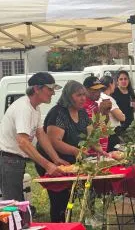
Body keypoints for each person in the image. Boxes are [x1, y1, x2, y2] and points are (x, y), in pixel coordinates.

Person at [0, 72, 67, 202]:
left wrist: (56, 159)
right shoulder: (24, 108)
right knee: (13, 204)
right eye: (50, 89)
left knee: (16, 202)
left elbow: (41, 135)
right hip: (8, 159)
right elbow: (23, 142)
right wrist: (47, 165)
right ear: (36, 89)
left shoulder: (35, 108)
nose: (53, 93)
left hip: (14, 160)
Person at [35, 80, 91, 222]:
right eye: (79, 95)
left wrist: (100, 150)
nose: (83, 98)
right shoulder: (58, 113)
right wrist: (75, 151)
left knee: (70, 198)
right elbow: (54, 141)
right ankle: (59, 224)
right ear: (68, 96)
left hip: (69, 162)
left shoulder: (82, 112)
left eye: (84, 94)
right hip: (51, 161)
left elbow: (89, 135)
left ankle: (68, 223)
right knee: (60, 199)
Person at [83, 76, 112, 151]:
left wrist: (106, 112)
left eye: (99, 89)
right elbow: (90, 131)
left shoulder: (95, 105)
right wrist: (101, 111)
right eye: (95, 90)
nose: (98, 92)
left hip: (101, 152)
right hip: (91, 153)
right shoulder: (83, 107)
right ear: (85, 90)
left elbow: (105, 128)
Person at [99, 75, 126, 151]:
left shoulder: (99, 97)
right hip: (111, 133)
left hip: (102, 133)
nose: (115, 86)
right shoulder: (107, 98)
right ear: (110, 84)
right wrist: (122, 114)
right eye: (114, 84)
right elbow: (121, 117)